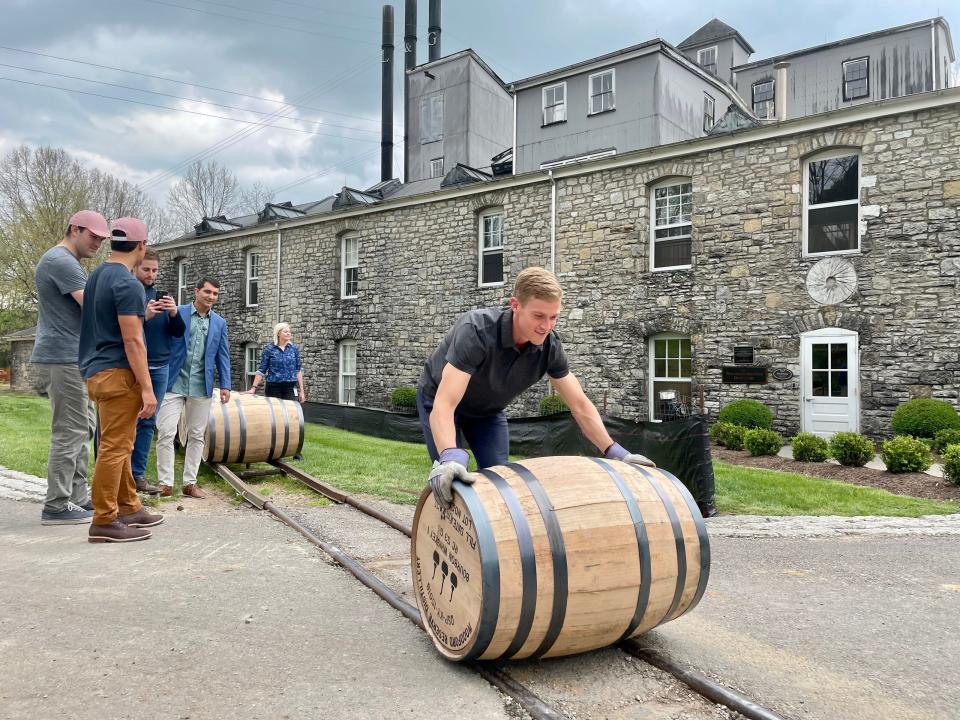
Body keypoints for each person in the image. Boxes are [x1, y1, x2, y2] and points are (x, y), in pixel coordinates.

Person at [417, 267, 655, 505]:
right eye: (539, 316)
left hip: (487, 413)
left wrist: (616, 453)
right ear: (515, 305)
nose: (547, 326)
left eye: (554, 317)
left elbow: (580, 405)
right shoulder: (477, 331)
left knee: (499, 484)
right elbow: (445, 403)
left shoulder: (550, 347)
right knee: (452, 479)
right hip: (438, 402)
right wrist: (450, 456)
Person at [79, 217, 164, 542]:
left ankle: (129, 505)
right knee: (115, 448)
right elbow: (133, 340)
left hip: (96, 369)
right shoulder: (128, 284)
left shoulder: (97, 275)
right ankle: (104, 519)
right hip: (118, 373)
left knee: (119, 442)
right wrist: (147, 388)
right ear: (141, 246)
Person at [32, 210, 108, 525]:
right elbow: (93, 308)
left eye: (103, 240)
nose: (98, 245)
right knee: (70, 430)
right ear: (75, 229)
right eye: (94, 237)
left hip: (72, 357)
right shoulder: (60, 261)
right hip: (62, 357)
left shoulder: (66, 262)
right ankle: (56, 504)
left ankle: (76, 498)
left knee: (84, 426)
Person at [154, 277, 231, 499]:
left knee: (197, 436)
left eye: (215, 294)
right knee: (167, 433)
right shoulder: (177, 312)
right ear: (196, 292)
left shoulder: (219, 323)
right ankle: (165, 484)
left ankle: (189, 483)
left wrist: (225, 384)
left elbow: (222, 355)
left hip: (201, 386)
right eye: (207, 292)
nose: (211, 297)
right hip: (172, 383)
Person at [129, 248, 185, 495]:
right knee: (126, 420)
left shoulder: (161, 295)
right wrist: (146, 316)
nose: (151, 274)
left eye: (154, 270)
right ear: (135, 268)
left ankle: (137, 475)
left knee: (148, 422)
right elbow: (123, 331)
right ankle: (120, 474)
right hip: (133, 366)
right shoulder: (130, 294)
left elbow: (179, 332)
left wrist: (173, 313)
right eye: (146, 269)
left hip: (161, 367)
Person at [245, 323, 305, 403]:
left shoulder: (294, 349)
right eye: (285, 331)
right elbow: (261, 370)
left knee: (290, 412)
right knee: (276, 413)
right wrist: (253, 388)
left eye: (289, 332)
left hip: (290, 387)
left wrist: (302, 391)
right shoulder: (269, 349)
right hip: (273, 387)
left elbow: (298, 370)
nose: (288, 333)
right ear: (278, 333)